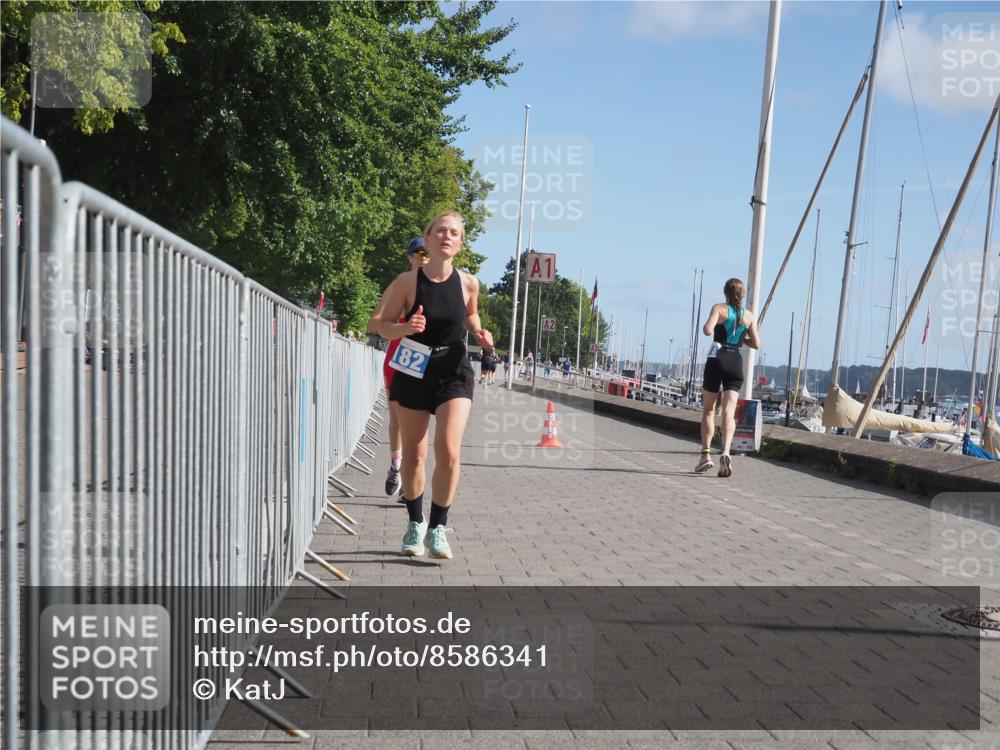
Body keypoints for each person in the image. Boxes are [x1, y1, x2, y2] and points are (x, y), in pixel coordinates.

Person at [370, 211, 492, 559]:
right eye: (440, 230)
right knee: (415, 454)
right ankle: (415, 522)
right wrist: (405, 328)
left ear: (460, 243)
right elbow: (377, 324)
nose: (446, 236)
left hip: (453, 368)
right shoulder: (408, 282)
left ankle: (438, 527)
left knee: (449, 450)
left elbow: (470, 313)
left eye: (454, 233)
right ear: (427, 238)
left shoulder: (469, 283)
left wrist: (479, 331)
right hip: (414, 367)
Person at [367, 237, 429, 497]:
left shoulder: (443, 283)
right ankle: (395, 466)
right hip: (399, 357)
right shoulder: (400, 283)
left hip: (427, 358)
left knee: (419, 423)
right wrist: (400, 326)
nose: (424, 256)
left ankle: (411, 479)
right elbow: (373, 324)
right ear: (409, 256)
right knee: (397, 420)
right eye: (419, 252)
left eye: (428, 252)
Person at [695, 278, 760, 477]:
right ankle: (725, 451)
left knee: (708, 411)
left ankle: (706, 455)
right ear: (742, 295)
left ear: (725, 293)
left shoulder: (719, 309)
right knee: (729, 413)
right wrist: (742, 337)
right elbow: (756, 343)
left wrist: (716, 324)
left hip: (717, 358)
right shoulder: (748, 315)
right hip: (736, 361)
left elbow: (707, 330)